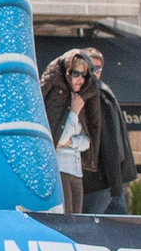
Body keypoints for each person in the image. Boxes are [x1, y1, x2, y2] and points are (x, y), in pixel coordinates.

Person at [40, 50, 101, 216]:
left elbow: (87, 141)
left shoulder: (82, 97)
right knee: (65, 219)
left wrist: (71, 142)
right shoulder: (64, 101)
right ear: (68, 72)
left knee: (77, 220)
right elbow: (58, 138)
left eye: (84, 75)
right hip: (59, 168)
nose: (80, 79)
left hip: (76, 170)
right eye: (76, 74)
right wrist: (74, 112)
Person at [80, 47, 136, 215]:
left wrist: (114, 183)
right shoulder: (101, 91)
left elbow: (112, 141)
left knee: (85, 230)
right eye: (91, 67)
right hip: (109, 179)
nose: (95, 72)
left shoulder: (98, 94)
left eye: (98, 68)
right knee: (119, 232)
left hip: (102, 179)